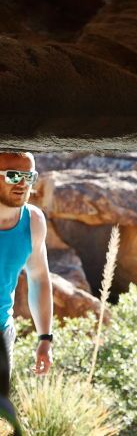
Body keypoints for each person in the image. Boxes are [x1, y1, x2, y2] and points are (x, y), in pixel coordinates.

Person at [0, 152, 53, 376]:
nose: (22, 184)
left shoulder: (34, 222)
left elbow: (39, 278)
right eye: (13, 176)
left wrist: (45, 338)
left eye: (28, 176)